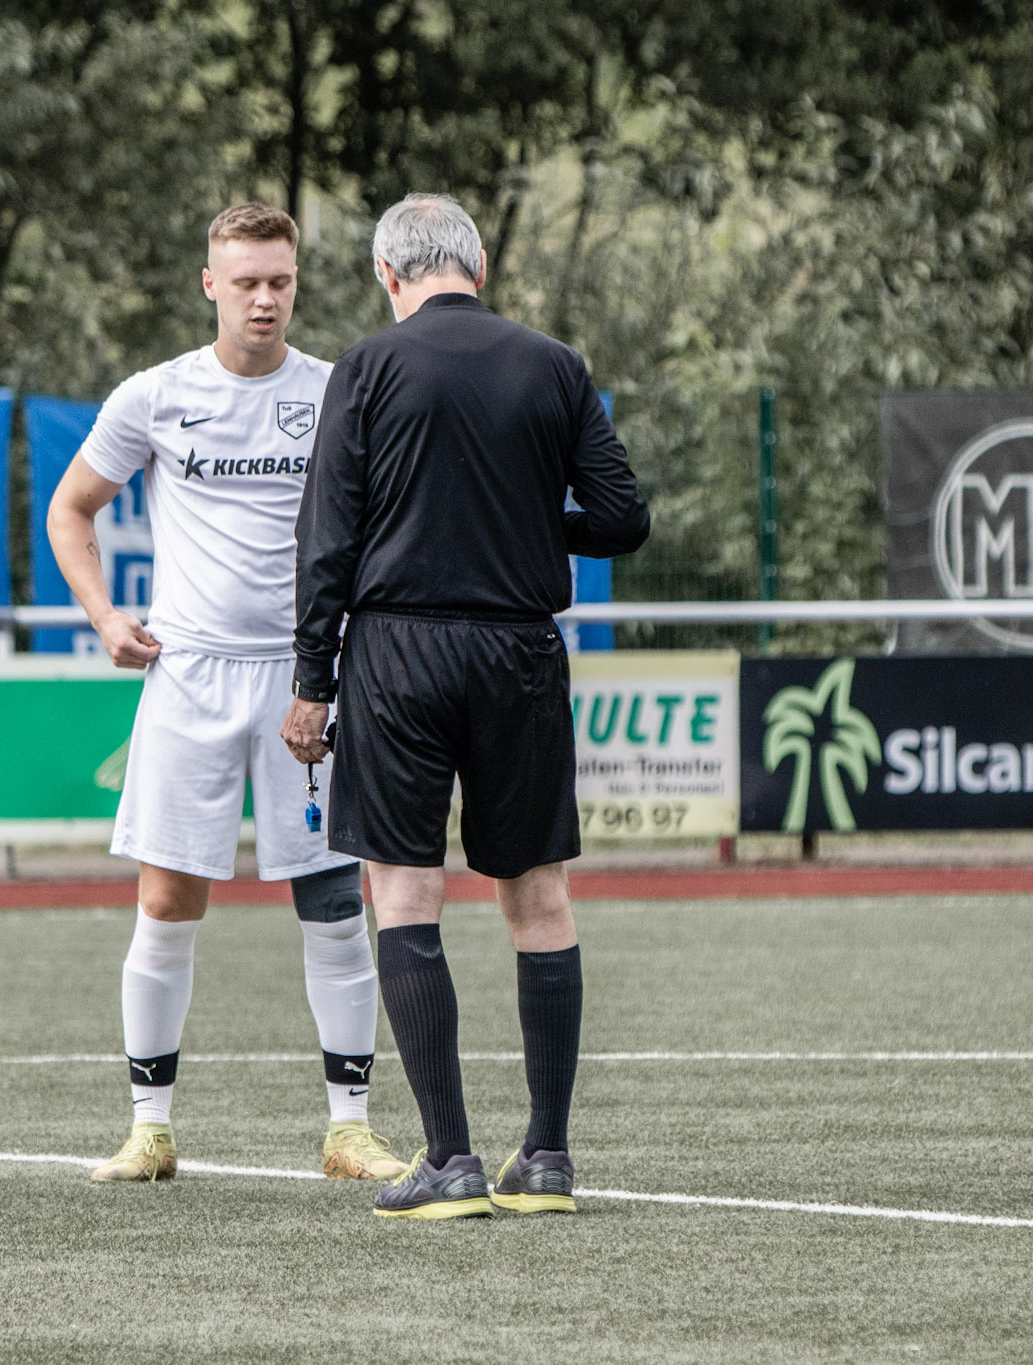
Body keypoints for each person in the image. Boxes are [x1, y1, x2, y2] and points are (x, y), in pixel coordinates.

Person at [282, 194, 649, 1219]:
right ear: (478, 266)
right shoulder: (554, 364)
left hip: (398, 653)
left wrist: (312, 683)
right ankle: (547, 1157)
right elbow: (622, 518)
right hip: (518, 650)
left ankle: (448, 1158)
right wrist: (525, 516)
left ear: (386, 274)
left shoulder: (365, 367)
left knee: (403, 893)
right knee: (538, 897)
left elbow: (326, 540)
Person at [46, 203, 407, 1184]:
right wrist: (103, 617)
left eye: (279, 281)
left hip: (305, 678)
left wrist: (345, 658)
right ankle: (149, 1128)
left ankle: (348, 1129)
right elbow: (71, 509)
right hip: (190, 674)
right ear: (209, 283)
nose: (263, 299)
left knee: (334, 901)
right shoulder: (155, 395)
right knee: (166, 899)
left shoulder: (336, 391)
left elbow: (377, 530)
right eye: (244, 281)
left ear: (296, 283)